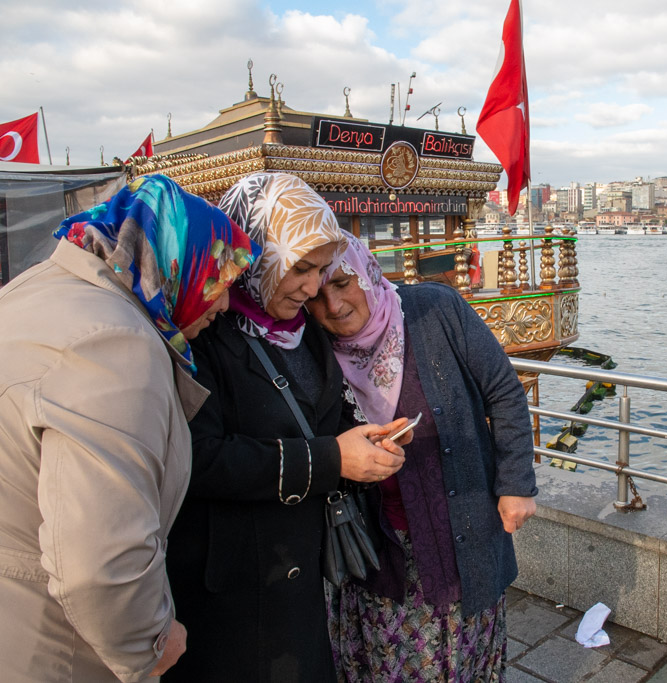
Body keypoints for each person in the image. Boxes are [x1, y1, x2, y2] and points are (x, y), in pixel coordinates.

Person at [0, 175, 259, 682]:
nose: (225, 306)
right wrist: (151, 642)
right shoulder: (118, 343)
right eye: (217, 280)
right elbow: (100, 565)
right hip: (57, 649)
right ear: (174, 262)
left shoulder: (32, 292)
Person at [163, 172, 409, 682]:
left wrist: (367, 441)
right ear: (257, 256)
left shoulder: (305, 330)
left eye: (321, 271)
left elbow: (320, 416)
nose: (313, 287)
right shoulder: (205, 333)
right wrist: (332, 459)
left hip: (301, 584)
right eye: (300, 268)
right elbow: (199, 458)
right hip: (232, 592)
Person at [306, 232, 538, 681]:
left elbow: (505, 393)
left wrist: (515, 485)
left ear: (367, 273)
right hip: (379, 554)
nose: (333, 306)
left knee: (466, 661)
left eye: (342, 283)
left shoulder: (436, 309)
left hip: (463, 541)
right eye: (316, 296)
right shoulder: (314, 351)